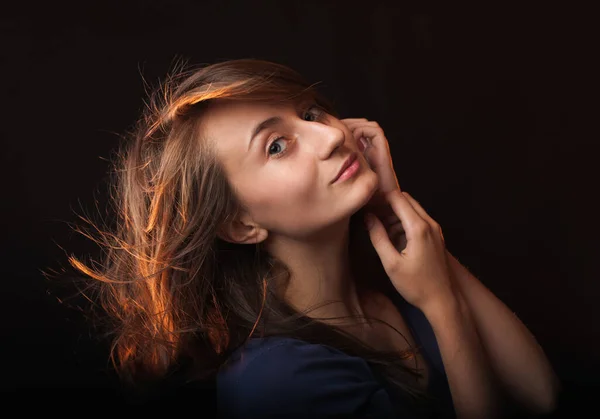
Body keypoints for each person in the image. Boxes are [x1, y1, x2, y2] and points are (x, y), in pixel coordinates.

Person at [61, 58, 560, 418]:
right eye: (277, 146)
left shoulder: (391, 291)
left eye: (310, 113)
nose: (331, 136)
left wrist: (394, 208)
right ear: (240, 225)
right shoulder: (278, 382)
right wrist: (442, 307)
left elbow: (541, 395)